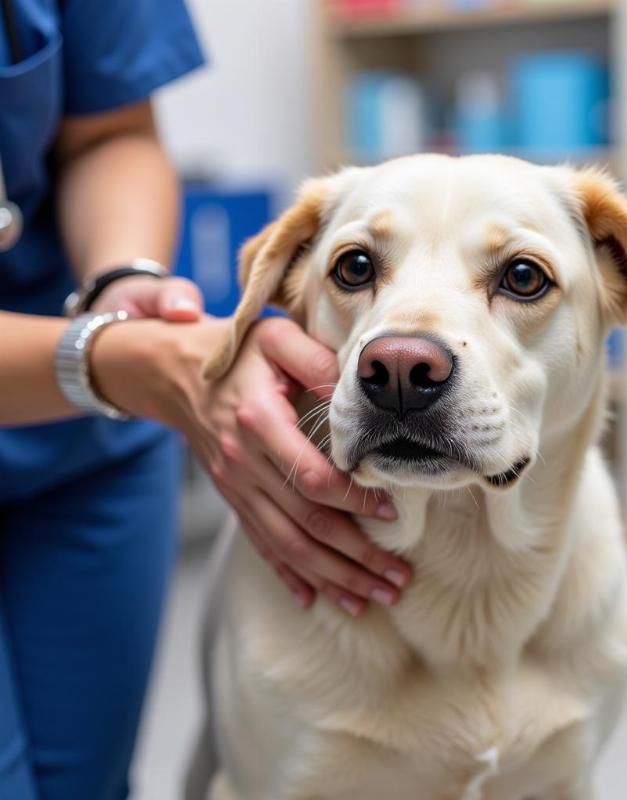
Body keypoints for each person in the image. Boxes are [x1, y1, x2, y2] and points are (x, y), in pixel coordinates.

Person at [0, 2, 409, 798]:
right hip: (106, 378)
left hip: (91, 431)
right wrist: (127, 358)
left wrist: (127, 291)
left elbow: (111, 132)